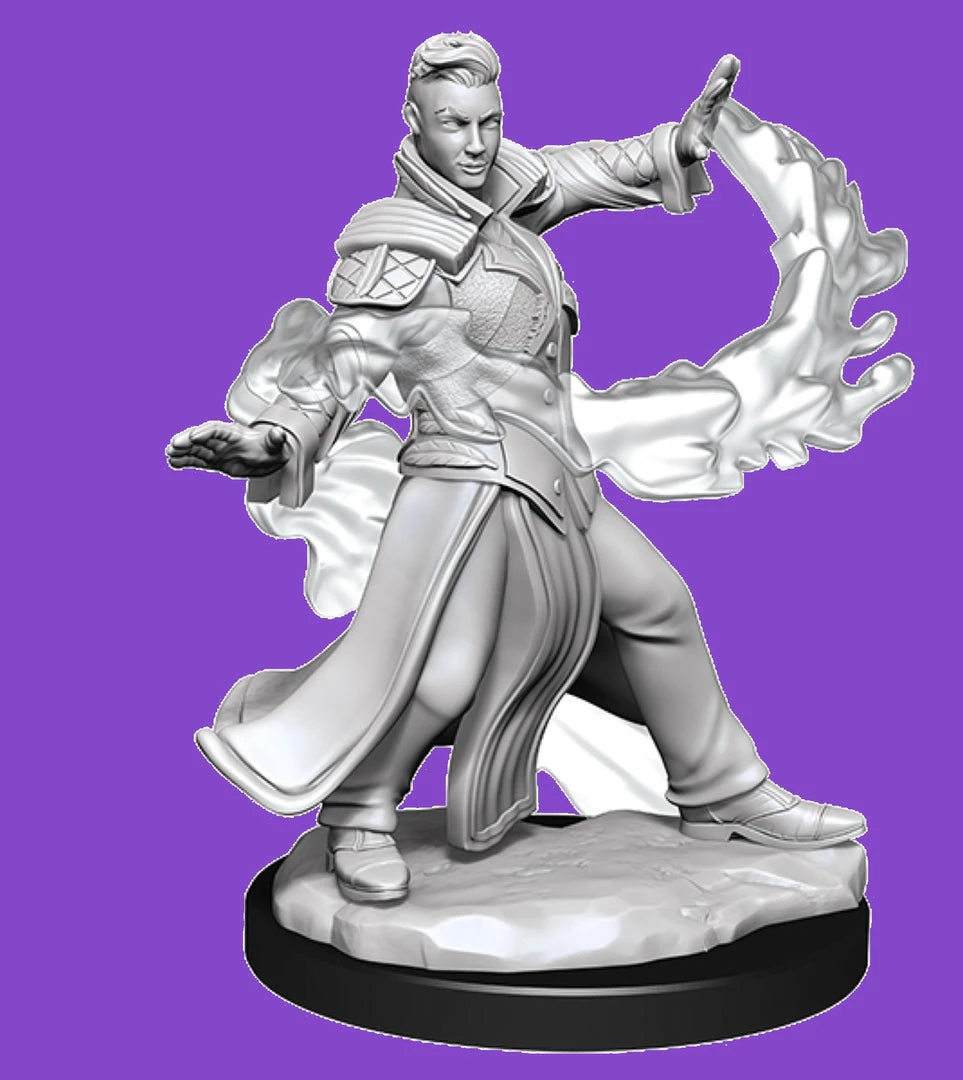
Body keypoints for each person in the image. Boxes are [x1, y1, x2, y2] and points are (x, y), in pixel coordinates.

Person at [167, 33, 865, 904]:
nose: (476, 144)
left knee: (659, 604)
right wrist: (276, 439)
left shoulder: (502, 194)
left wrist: (674, 144)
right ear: (414, 122)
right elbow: (339, 366)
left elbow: (581, 171)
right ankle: (359, 810)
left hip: (555, 471)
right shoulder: (396, 249)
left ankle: (723, 788)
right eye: (453, 124)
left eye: (488, 122)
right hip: (466, 485)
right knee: (446, 670)